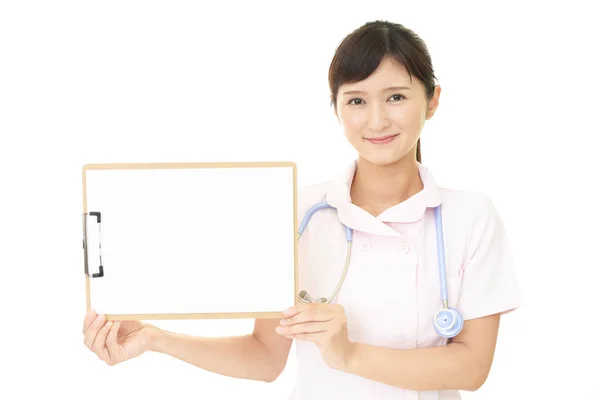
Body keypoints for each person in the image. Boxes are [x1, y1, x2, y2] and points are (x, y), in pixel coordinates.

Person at [82, 20, 522, 399]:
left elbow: (472, 367)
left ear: (433, 99)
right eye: (356, 100)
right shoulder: (295, 212)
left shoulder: (471, 217)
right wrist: (156, 339)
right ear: (336, 109)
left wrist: (348, 355)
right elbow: (264, 358)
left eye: (395, 97)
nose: (377, 121)